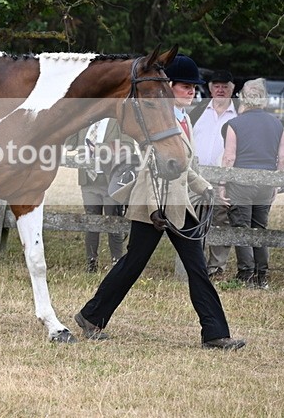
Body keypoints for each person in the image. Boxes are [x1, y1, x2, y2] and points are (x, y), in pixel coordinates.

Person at [74, 54, 245, 350]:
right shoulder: (158, 120)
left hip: (178, 203)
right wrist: (154, 209)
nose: (191, 91)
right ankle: (92, 316)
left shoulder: (183, 119)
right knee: (133, 265)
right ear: (169, 87)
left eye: (193, 87)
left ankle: (215, 333)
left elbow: (183, 166)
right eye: (185, 86)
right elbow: (150, 167)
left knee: (195, 268)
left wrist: (205, 188)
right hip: (152, 206)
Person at [221, 78, 284, 289]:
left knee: (241, 228)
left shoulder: (235, 124)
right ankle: (262, 277)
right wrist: (276, 184)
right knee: (260, 228)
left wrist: (222, 184)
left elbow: (229, 158)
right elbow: (283, 158)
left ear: (243, 98)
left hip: (241, 183)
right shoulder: (277, 124)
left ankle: (246, 274)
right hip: (266, 183)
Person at [190, 70, 238, 280]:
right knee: (194, 218)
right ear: (210, 89)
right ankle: (195, 263)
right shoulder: (198, 111)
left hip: (224, 178)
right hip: (197, 176)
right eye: (216, 86)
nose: (220, 90)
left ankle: (216, 267)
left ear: (232, 89)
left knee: (221, 219)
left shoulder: (238, 114)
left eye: (224, 86)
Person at [68, 118, 131, 272]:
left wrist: (99, 148)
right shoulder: (86, 118)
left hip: (111, 181)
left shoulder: (118, 119)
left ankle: (117, 263)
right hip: (88, 181)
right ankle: (91, 263)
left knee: (113, 221)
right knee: (91, 221)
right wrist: (73, 121)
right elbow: (70, 145)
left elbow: (128, 147)